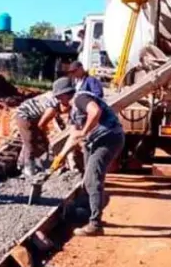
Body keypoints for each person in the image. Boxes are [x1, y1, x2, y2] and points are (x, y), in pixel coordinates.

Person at [52, 77, 124, 237]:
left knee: (92, 179)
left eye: (58, 98)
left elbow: (95, 112)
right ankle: (90, 213)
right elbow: (73, 136)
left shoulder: (80, 98)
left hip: (108, 138)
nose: (58, 102)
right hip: (95, 141)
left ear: (64, 95)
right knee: (87, 180)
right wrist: (61, 156)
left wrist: (84, 132)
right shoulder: (73, 112)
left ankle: (95, 225)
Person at [14, 81, 69, 177]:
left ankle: (20, 164)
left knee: (30, 141)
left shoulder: (57, 99)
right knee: (30, 142)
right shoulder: (52, 108)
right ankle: (28, 169)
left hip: (32, 116)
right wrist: (46, 137)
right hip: (24, 116)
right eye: (65, 111)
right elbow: (41, 125)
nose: (64, 113)